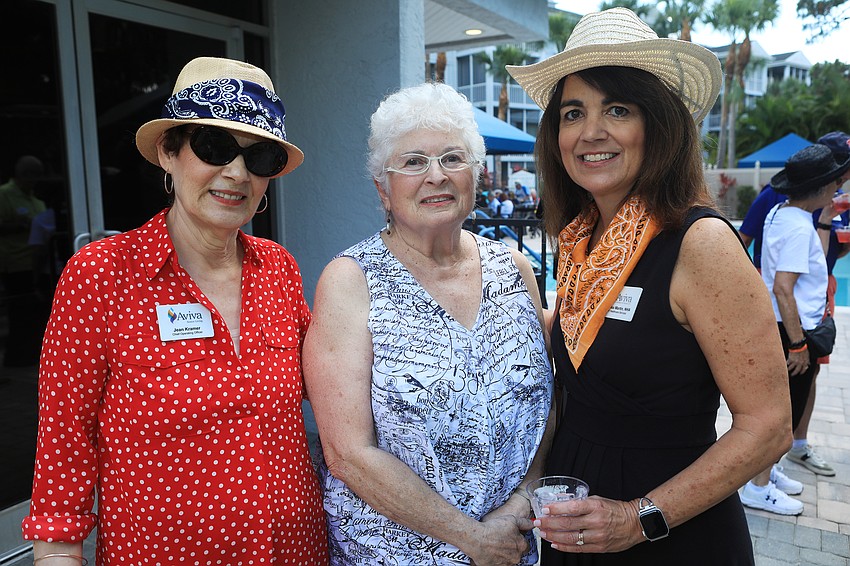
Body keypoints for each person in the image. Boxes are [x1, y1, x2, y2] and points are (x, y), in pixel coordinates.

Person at [507, 7, 791, 564]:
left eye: (617, 109)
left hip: (670, 534)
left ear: (656, 123)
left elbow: (769, 427)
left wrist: (640, 518)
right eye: (572, 112)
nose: (591, 132)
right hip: (576, 527)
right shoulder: (581, 239)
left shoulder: (699, 242)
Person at [22, 57, 329, 565]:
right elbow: (63, 453)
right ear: (168, 152)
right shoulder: (102, 275)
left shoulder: (279, 268)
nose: (236, 173)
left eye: (259, 158)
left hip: (296, 551)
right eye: (214, 147)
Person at [302, 82, 553, 565]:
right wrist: (471, 538)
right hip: (395, 553)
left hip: (515, 543)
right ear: (383, 189)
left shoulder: (514, 268)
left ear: (476, 176)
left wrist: (522, 500)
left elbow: (545, 400)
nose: (436, 176)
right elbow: (347, 452)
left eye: (452, 159)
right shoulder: (350, 280)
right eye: (413, 162)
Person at [739, 144, 849, 514]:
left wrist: (823, 222)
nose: (836, 188)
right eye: (833, 183)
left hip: (787, 325)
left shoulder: (781, 214)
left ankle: (768, 474)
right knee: (784, 414)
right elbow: (783, 287)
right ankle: (757, 487)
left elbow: (811, 262)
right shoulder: (796, 228)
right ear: (818, 189)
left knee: (782, 408)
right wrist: (798, 344)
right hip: (793, 330)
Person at [0, 155, 46, 367]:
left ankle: (30, 358)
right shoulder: (4, 194)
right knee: (18, 315)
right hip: (14, 263)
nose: (33, 180)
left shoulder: (38, 201)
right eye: (30, 175)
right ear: (21, 174)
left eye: (37, 176)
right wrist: (19, 225)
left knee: (36, 315)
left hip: (38, 263)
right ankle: (14, 360)